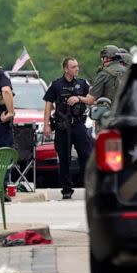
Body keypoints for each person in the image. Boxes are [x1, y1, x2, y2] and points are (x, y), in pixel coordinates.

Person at [43, 57, 93, 200]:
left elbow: (91, 100)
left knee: (86, 155)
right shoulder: (56, 85)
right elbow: (48, 105)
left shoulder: (82, 83)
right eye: (73, 67)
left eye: (77, 66)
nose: (77, 69)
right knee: (64, 158)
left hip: (78, 125)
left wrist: (78, 98)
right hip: (62, 126)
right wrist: (46, 124)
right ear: (66, 69)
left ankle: (89, 186)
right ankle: (66, 189)